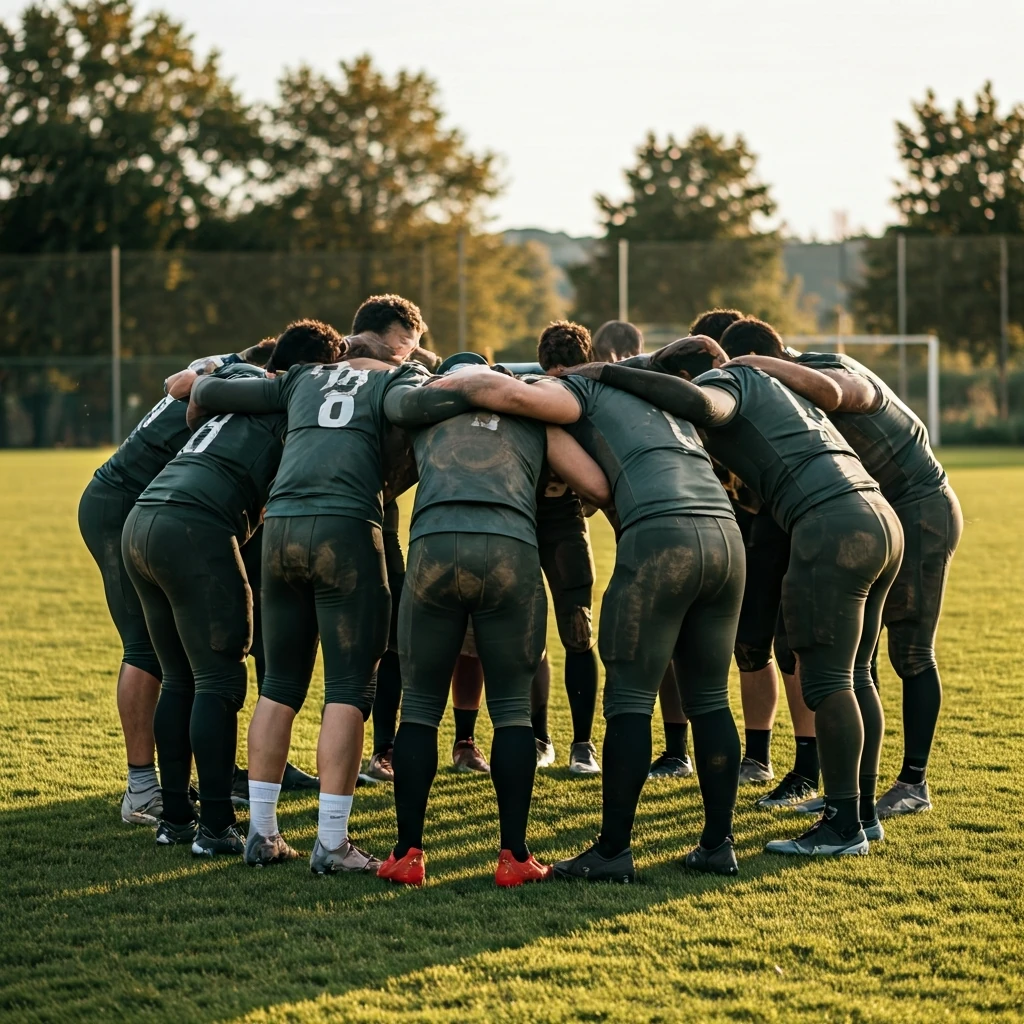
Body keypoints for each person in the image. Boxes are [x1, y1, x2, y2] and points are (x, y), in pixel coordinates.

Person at [425, 323, 747, 880]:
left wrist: (462, 379)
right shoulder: (665, 403)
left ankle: (613, 850)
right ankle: (718, 844)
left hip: (660, 534)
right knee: (712, 698)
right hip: (725, 535)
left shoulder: (584, 388)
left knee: (629, 698)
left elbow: (512, 397)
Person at [587, 334, 904, 857]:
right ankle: (862, 814)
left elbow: (703, 403)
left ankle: (843, 826)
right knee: (857, 674)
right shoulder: (778, 391)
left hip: (831, 524)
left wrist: (608, 374)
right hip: (875, 514)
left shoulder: (724, 380)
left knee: (825, 679)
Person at [188, 302, 433, 874]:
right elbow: (438, 398)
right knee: (349, 688)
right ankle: (331, 842)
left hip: (280, 530)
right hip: (347, 530)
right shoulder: (398, 379)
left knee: (279, 686)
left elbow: (212, 391)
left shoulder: (300, 376)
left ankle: (263, 833)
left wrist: (198, 383)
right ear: (393, 350)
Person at [378, 351, 612, 887]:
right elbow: (596, 488)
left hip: (435, 544)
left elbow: (383, 479)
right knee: (510, 711)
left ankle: (406, 855)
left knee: (418, 707)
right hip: (510, 546)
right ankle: (514, 856)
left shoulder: (428, 412)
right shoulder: (530, 413)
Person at [720, 318, 962, 817]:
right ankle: (851, 794)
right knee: (856, 664)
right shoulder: (789, 390)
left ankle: (913, 783)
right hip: (875, 515)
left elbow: (836, 393)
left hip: (919, 508)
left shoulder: (828, 366)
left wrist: (757, 367)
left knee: (912, 651)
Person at [78, 340, 274, 826]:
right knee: (148, 650)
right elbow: (186, 386)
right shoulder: (245, 383)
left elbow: (185, 379)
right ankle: (142, 790)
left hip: (148, 504)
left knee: (186, 658)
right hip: (125, 502)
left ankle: (201, 775)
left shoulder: (224, 370)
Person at [123, 361, 286, 855]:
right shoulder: (289, 397)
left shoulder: (234, 391)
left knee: (178, 678)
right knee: (220, 680)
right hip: (195, 527)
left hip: (144, 517)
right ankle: (216, 826)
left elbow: (192, 400)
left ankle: (175, 818)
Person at [685, 310, 819, 805]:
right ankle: (758, 756)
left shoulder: (778, 388)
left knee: (795, 647)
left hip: (791, 524)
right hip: (748, 527)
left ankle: (808, 766)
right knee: (750, 647)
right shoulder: (716, 388)